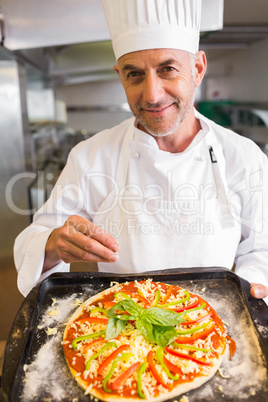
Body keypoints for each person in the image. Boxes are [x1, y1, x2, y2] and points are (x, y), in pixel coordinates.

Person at [14, 0, 268, 303]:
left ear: (198, 69)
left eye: (168, 69)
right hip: (123, 330)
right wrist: (55, 243)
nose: (152, 94)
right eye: (135, 74)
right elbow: (35, 237)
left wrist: (250, 291)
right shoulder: (91, 156)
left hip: (209, 326)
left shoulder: (244, 157)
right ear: (120, 75)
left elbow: (261, 249)